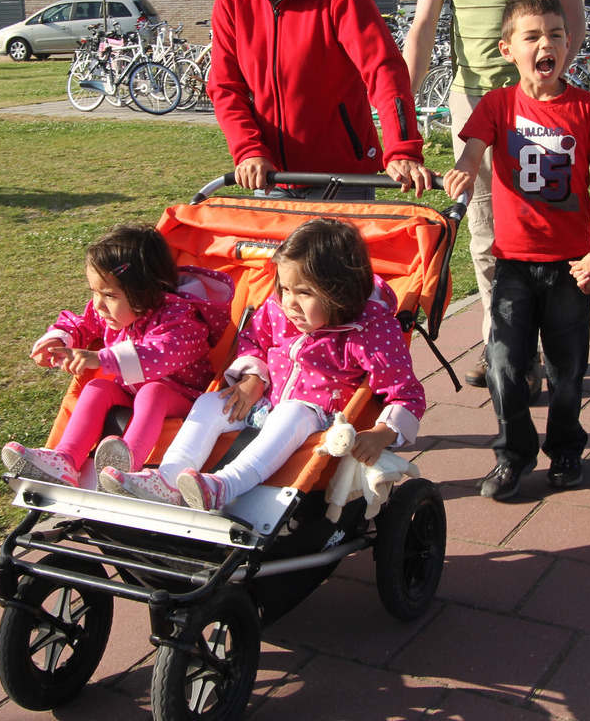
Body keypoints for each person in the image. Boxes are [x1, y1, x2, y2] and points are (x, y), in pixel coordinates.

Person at [400, 0, 584, 389]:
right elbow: (423, 27)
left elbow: (573, 21)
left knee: (543, 232)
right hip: (473, 106)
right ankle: (502, 347)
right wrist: (399, 114)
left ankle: (545, 350)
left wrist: (544, 88)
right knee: (484, 233)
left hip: (537, 108)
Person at [444, 0, 590, 499]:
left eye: (555, 35)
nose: (545, 44)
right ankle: (514, 453)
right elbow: (472, 152)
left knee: (567, 369)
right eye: (531, 37)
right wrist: (463, 170)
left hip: (570, 265)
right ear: (508, 50)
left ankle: (566, 449)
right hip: (513, 264)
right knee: (504, 362)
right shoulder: (497, 105)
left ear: (568, 44)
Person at [101, 218, 425, 511]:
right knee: (211, 402)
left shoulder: (368, 332)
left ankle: (224, 486)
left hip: (319, 419)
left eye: (304, 293)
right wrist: (253, 377)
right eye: (284, 288)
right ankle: (168, 478)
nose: (290, 302)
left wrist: (383, 432)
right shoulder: (278, 310)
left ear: (340, 292)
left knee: (292, 411)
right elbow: (252, 339)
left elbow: (406, 394)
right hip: (265, 403)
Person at [209, 0, 431, 200]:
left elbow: (383, 71)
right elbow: (226, 88)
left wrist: (402, 148)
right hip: (273, 181)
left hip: (343, 182)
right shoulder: (231, 2)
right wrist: (248, 150)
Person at [2, 226, 235, 486]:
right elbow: (83, 322)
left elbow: (160, 353)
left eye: (109, 295)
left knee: (153, 392)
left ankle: (128, 467)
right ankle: (65, 459)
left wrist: (102, 358)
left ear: (146, 292)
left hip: (182, 396)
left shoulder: (182, 318)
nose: (98, 304)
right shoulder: (113, 311)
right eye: (95, 292)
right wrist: (58, 339)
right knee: (98, 387)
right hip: (130, 391)